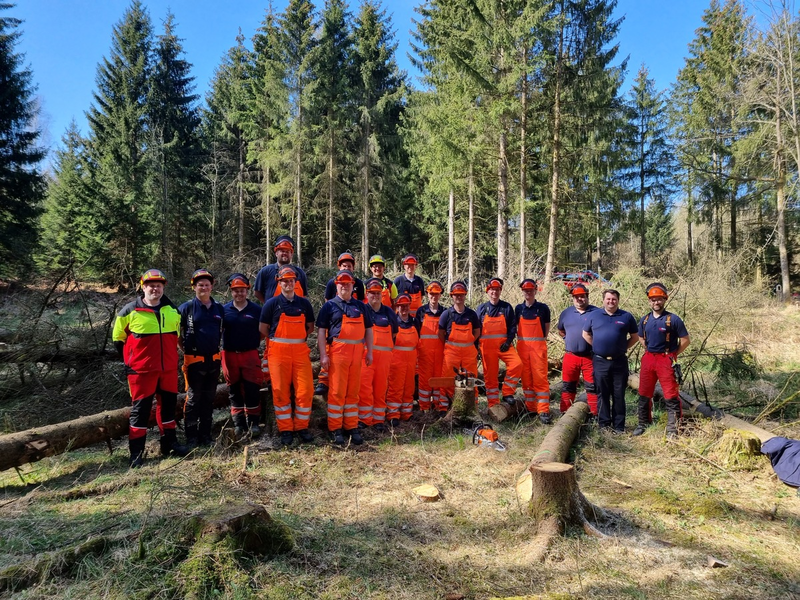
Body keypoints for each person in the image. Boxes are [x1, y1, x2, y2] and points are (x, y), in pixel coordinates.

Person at [113, 269, 189, 467]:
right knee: (141, 410)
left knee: (168, 408)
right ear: (143, 287)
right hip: (141, 372)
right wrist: (131, 362)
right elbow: (118, 339)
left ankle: (169, 444)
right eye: (151, 285)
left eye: (159, 285)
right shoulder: (129, 311)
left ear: (163, 287)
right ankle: (136, 453)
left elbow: (177, 337)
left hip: (168, 370)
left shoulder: (173, 311)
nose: (155, 288)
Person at [316, 269, 374, 445]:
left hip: (357, 351)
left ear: (352, 286)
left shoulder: (361, 306)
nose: (344, 287)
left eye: (348, 284)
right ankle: (335, 428)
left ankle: (351, 426)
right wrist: (323, 355)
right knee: (337, 391)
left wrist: (369, 351)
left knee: (353, 391)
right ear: (337, 286)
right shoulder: (329, 306)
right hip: (338, 351)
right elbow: (320, 332)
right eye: (341, 284)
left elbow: (368, 330)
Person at [260, 266, 316, 446]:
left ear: (295, 282)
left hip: (300, 351)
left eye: (291, 280)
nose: (288, 283)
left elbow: (310, 326)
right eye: (284, 280)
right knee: (280, 391)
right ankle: (285, 429)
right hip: (278, 352)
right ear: (279, 282)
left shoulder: (304, 304)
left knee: (305, 390)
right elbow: (263, 329)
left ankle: (301, 427)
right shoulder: (271, 304)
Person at [635, 282, 691, 438]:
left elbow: (685, 340)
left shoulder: (673, 319)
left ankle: (673, 429)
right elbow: (640, 337)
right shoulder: (644, 320)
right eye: (653, 299)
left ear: (664, 299)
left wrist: (673, 354)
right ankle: (643, 423)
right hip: (648, 359)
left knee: (670, 394)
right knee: (644, 392)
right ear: (649, 301)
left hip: (666, 359)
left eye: (659, 299)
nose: (656, 302)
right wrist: (647, 347)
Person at [582, 289, 639, 433]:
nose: (611, 302)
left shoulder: (626, 316)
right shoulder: (594, 315)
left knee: (619, 394)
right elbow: (585, 334)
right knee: (603, 393)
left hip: (619, 362)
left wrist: (622, 347)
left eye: (613, 299)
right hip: (600, 361)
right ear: (603, 300)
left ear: (618, 300)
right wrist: (596, 346)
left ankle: (619, 426)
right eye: (608, 299)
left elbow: (635, 336)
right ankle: (604, 425)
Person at [179, 269, 225, 446]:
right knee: (193, 399)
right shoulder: (186, 308)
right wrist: (185, 349)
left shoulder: (219, 308)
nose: (204, 287)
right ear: (194, 287)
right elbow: (177, 334)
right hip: (193, 361)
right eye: (200, 285)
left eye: (207, 284)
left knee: (208, 398)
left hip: (213, 360)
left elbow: (223, 330)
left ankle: (205, 436)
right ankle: (191, 437)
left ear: (212, 286)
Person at [316, 251, 367, 397]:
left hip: (353, 317)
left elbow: (362, 302)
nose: (347, 268)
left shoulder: (358, 284)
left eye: (349, 266)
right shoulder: (332, 282)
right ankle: (323, 380)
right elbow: (327, 302)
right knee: (328, 350)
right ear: (339, 266)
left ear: (353, 267)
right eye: (344, 265)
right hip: (335, 321)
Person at [221, 273, 264, 439]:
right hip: (229, 354)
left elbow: (263, 331)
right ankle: (239, 423)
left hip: (250, 354)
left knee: (252, 388)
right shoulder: (223, 310)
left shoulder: (256, 310)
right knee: (234, 390)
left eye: (242, 290)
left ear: (247, 290)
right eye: (236, 291)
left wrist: (252, 341)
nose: (239, 294)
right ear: (231, 291)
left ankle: (253, 423)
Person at [476, 277, 523, 409]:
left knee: (517, 364)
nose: (494, 292)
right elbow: (476, 329)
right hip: (487, 347)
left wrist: (508, 342)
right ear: (487, 291)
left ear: (500, 291)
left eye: (497, 290)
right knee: (490, 377)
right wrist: (476, 348)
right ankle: (493, 405)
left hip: (504, 345)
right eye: (492, 290)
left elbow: (512, 327)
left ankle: (507, 392)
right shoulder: (481, 309)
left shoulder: (506, 307)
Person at [358, 277, 398, 432]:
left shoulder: (389, 312)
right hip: (367, 355)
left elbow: (394, 333)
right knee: (365, 387)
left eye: (377, 293)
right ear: (367, 294)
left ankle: (378, 420)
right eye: (371, 293)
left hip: (385, 357)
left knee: (381, 388)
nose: (375, 296)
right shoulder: (362, 310)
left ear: (382, 294)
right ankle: (364, 418)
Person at [556, 283, 599, 417]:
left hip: (590, 356)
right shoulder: (566, 313)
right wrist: (568, 340)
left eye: (582, 296)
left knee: (592, 386)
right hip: (571, 356)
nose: (579, 299)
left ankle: (595, 413)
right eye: (576, 297)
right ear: (572, 298)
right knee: (568, 385)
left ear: (587, 296)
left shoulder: (597, 312)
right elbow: (561, 330)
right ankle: (565, 412)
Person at [514, 279, 552, 422]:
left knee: (540, 378)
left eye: (530, 290)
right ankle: (530, 408)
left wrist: (539, 341)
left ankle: (543, 410)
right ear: (522, 291)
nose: (528, 292)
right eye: (525, 290)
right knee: (526, 378)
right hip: (523, 349)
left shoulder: (543, 308)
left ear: (535, 291)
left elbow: (546, 328)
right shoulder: (518, 309)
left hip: (538, 349)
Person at [438, 281, 481, 406]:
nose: (459, 297)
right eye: (456, 295)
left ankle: (473, 405)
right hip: (452, 352)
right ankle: (446, 404)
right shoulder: (446, 314)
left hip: (468, 352)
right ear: (452, 296)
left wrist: (468, 342)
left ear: (465, 295)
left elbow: (477, 331)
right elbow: (440, 333)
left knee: (471, 379)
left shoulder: (471, 314)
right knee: (447, 378)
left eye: (461, 294)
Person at [386, 293, 420, 426]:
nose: (404, 309)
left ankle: (407, 413)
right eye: (401, 306)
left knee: (409, 386)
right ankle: (393, 414)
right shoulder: (393, 321)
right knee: (395, 387)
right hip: (396, 360)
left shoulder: (415, 321)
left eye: (406, 306)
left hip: (411, 359)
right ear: (397, 307)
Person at [416, 280, 446, 413]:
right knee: (424, 381)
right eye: (431, 294)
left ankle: (438, 406)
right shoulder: (421, 312)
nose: (434, 297)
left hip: (440, 352)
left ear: (440, 295)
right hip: (424, 353)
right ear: (427, 294)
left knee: (439, 380)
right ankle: (424, 408)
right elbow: (415, 332)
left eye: (436, 294)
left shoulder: (445, 312)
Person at [253, 234, 308, 303]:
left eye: (287, 251)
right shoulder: (265, 271)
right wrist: (269, 306)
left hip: (296, 312)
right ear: (276, 253)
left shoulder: (300, 273)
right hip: (273, 313)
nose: (284, 253)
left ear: (291, 254)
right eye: (282, 251)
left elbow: (304, 295)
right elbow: (257, 292)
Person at [394, 253, 425, 318]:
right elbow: (394, 299)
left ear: (416, 266)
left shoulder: (420, 281)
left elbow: (421, 297)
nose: (410, 267)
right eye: (408, 264)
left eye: (412, 265)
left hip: (417, 318)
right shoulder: (398, 281)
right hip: (401, 318)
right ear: (404, 266)